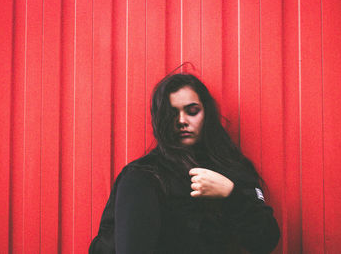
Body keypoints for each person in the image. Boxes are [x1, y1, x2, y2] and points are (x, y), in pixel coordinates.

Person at [89, 73, 280, 254]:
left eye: (192, 111)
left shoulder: (232, 169)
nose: (182, 121)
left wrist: (230, 195)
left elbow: (265, 241)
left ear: (207, 114)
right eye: (172, 113)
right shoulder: (142, 176)